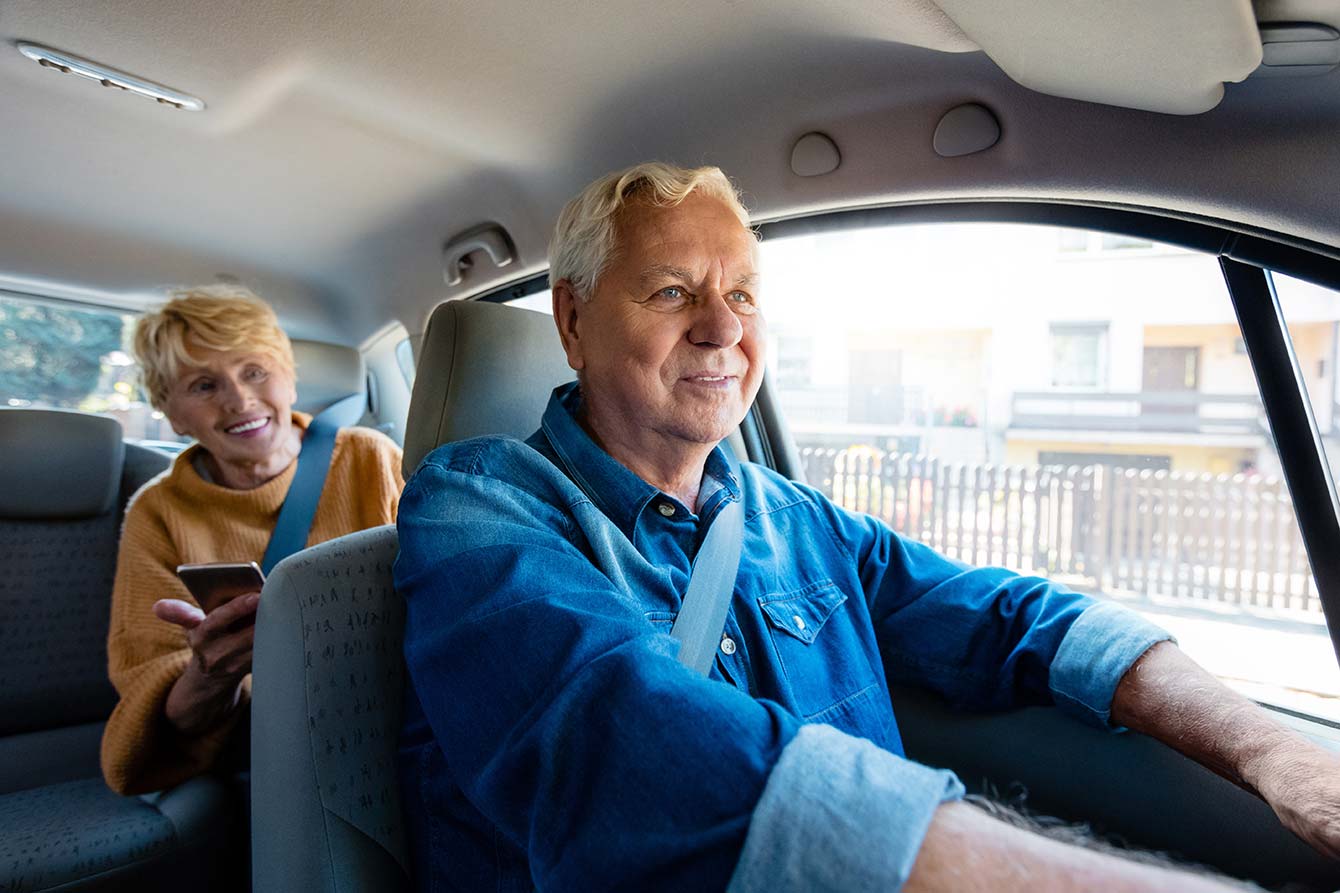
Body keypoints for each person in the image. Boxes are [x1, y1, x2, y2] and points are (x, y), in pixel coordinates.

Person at [394, 163, 1340, 891]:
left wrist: (1276, 753)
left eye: (745, 292)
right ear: (572, 320)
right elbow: (614, 735)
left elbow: (1018, 620)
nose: (725, 328)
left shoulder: (793, 519)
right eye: (673, 291)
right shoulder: (480, 505)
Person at [102, 285, 404, 796]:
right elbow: (152, 691)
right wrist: (209, 672)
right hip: (270, 753)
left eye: (254, 372)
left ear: (289, 378)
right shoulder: (158, 512)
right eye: (203, 386)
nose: (239, 400)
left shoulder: (370, 459)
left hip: (397, 719)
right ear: (170, 413)